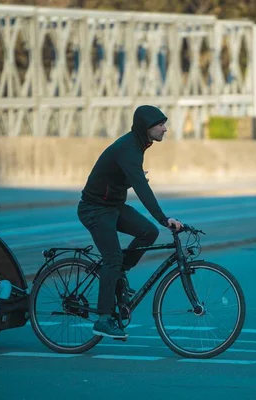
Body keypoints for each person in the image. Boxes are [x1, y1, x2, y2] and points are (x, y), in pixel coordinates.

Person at [78, 105, 182, 339]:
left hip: (112, 207)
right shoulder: (128, 148)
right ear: (147, 127)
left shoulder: (138, 145)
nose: (165, 129)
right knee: (112, 257)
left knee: (148, 232)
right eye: (161, 124)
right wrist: (164, 219)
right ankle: (103, 320)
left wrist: (130, 180)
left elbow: (115, 178)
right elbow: (142, 190)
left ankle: (118, 275)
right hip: (94, 209)